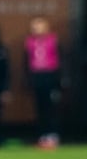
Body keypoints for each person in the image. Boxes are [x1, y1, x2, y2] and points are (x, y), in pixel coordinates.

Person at [24, 16, 62, 149]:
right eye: (34, 27)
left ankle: (53, 135)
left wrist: (58, 82)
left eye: (39, 26)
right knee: (39, 108)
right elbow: (27, 61)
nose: (36, 30)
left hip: (49, 76)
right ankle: (42, 136)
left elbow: (59, 61)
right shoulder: (30, 42)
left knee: (50, 108)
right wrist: (28, 80)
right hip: (37, 76)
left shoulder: (53, 40)